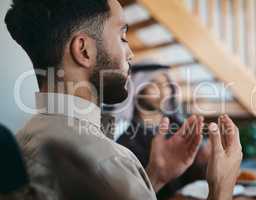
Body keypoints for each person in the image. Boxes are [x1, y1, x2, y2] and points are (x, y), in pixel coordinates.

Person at [5, 0, 243, 199]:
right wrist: (222, 186)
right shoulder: (108, 161)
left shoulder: (23, 140)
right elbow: (106, 175)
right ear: (84, 50)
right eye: (122, 36)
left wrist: (156, 175)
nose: (130, 54)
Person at [114, 64, 211, 199]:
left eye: (166, 84)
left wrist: (203, 163)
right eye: (154, 83)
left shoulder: (182, 127)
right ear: (137, 87)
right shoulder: (125, 142)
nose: (164, 91)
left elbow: (196, 181)